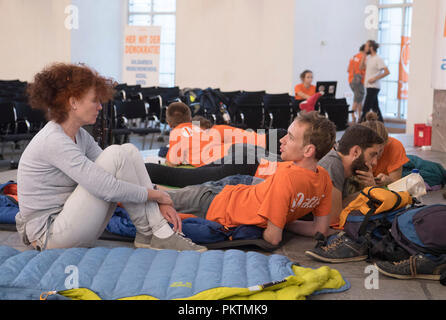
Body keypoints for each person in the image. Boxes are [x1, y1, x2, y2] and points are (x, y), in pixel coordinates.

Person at [15, 63, 206, 252]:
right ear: (73, 102)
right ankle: (157, 233)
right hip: (51, 236)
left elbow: (119, 172)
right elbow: (107, 187)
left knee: (128, 150)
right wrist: (160, 196)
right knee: (116, 154)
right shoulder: (54, 140)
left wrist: (157, 199)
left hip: (69, 223)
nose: (100, 107)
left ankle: (151, 233)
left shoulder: (79, 135)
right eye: (94, 101)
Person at [160, 111, 337, 246]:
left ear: (308, 151)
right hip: (232, 191)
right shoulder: (323, 177)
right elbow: (319, 230)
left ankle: (143, 186)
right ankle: (144, 187)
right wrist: (282, 222)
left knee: (161, 199)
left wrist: (279, 223)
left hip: (219, 202)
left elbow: (273, 238)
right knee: (166, 195)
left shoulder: (287, 177)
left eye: (289, 137)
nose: (281, 140)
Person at [360, 111, 409, 186]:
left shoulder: (394, 146)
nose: (375, 162)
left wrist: (389, 181)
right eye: (372, 154)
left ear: (386, 143)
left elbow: (396, 183)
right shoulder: (355, 147)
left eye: (380, 151)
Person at [359, 40, 390, 123]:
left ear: (371, 48)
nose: (365, 48)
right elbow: (361, 67)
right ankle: (381, 125)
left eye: (366, 46)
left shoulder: (378, 59)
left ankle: (359, 126)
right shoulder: (369, 58)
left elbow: (387, 72)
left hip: (374, 87)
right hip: (369, 86)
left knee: (366, 108)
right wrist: (364, 55)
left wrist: (375, 78)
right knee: (375, 108)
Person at [347, 44, 366, 123]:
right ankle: (354, 116)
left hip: (351, 80)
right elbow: (363, 67)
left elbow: (348, 69)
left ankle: (359, 116)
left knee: (359, 99)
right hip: (359, 81)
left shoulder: (353, 57)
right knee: (357, 99)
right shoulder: (363, 57)